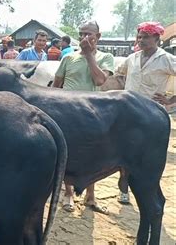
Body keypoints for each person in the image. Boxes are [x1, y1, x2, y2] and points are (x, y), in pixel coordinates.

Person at [53, 20, 114, 215]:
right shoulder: (68, 58)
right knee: (66, 152)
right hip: (66, 111)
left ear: (98, 36)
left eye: (89, 34)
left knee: (92, 154)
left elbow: (99, 80)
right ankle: (68, 193)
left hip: (92, 113)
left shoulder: (106, 57)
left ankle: (90, 196)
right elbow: (56, 85)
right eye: (81, 34)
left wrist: (89, 55)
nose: (84, 38)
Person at [115, 21, 176, 204]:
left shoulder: (165, 59)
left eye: (146, 37)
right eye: (139, 37)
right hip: (129, 113)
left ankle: (149, 193)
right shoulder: (132, 58)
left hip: (153, 116)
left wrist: (171, 101)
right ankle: (123, 186)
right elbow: (118, 75)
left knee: (149, 156)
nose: (141, 40)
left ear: (157, 39)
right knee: (124, 152)